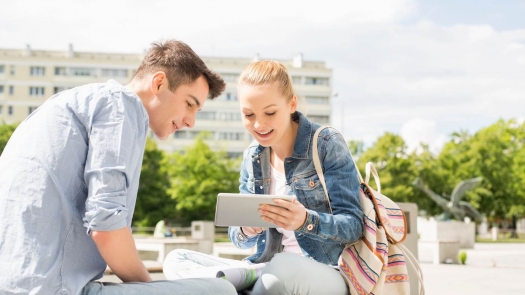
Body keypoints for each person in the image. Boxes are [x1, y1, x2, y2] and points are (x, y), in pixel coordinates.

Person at [0, 40, 237, 295]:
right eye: (190, 104)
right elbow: (106, 224)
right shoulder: (121, 106)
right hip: (55, 289)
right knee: (220, 289)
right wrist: (156, 289)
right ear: (159, 83)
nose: (191, 121)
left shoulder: (70, 102)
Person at [163, 60, 364, 295]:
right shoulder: (253, 156)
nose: (259, 124)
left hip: (327, 270)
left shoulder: (325, 143)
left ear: (292, 104)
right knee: (177, 259)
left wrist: (305, 221)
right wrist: (247, 229)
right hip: (265, 267)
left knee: (281, 268)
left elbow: (354, 225)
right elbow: (238, 239)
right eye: (248, 115)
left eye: (270, 112)